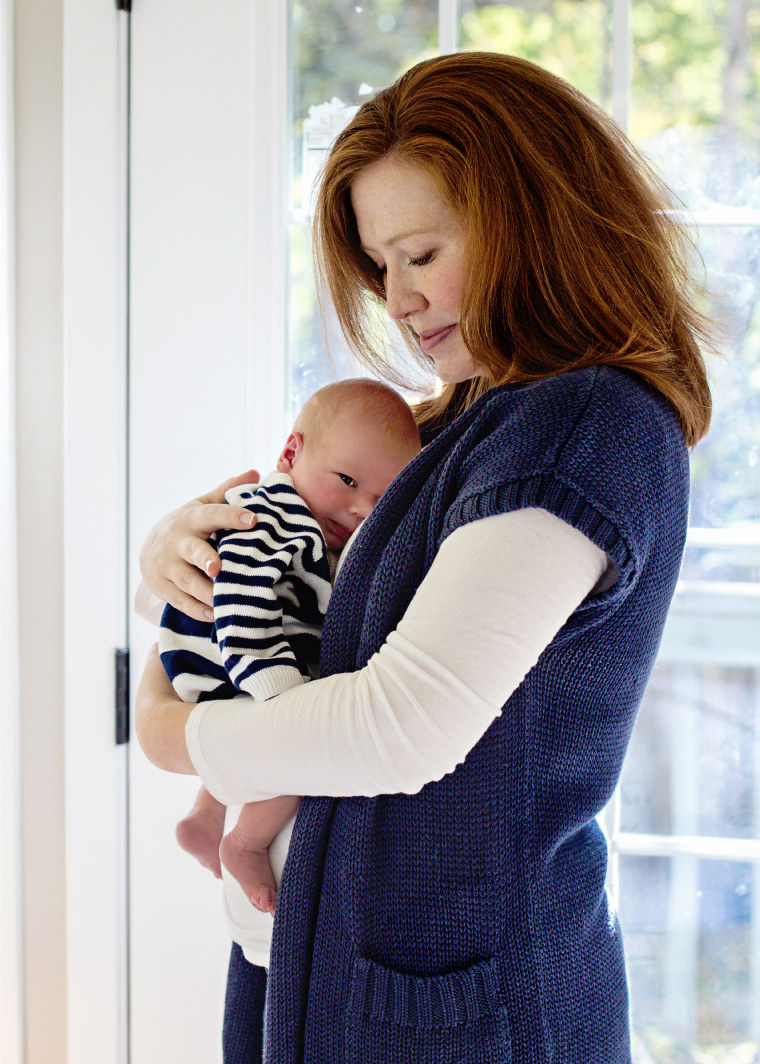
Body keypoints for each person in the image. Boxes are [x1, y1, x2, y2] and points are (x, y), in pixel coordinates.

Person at [135, 51, 713, 1064]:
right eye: (379, 266)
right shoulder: (463, 424)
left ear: (530, 219)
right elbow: (296, 612)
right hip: (346, 959)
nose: (396, 301)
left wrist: (169, 731)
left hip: (465, 1006)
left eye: (420, 252)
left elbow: (399, 727)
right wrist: (169, 562)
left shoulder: (579, 427)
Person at [156, 378, 421, 935]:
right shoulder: (275, 517)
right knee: (304, 750)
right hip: (229, 653)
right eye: (346, 481)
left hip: (228, 658)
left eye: (378, 501)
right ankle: (244, 843)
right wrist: (279, 691)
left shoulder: (308, 524)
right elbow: (241, 592)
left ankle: (205, 817)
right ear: (292, 452)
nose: (356, 509)